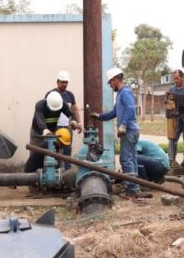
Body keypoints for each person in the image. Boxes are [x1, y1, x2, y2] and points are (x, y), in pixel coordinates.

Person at [90, 67, 143, 197]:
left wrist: (123, 125)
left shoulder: (125, 92)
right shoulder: (120, 94)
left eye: (110, 83)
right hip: (130, 130)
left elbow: (131, 109)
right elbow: (114, 113)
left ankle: (132, 188)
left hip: (129, 130)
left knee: (126, 159)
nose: (110, 85)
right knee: (131, 158)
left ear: (114, 80)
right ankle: (134, 186)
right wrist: (99, 116)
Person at [24, 91, 79, 172]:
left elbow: (71, 114)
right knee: (36, 154)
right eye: (53, 109)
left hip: (52, 134)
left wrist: (74, 121)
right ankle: (31, 177)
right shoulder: (40, 105)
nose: (54, 111)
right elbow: (40, 119)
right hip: (37, 133)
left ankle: (55, 175)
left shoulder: (62, 105)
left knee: (54, 155)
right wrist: (45, 130)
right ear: (47, 103)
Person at [44, 70, 82, 168]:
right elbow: (45, 110)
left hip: (67, 127)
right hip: (55, 127)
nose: (64, 84)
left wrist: (79, 122)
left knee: (67, 151)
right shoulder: (51, 94)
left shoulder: (70, 95)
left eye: (66, 82)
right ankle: (55, 172)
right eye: (62, 82)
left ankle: (67, 173)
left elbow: (75, 110)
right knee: (54, 151)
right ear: (57, 82)